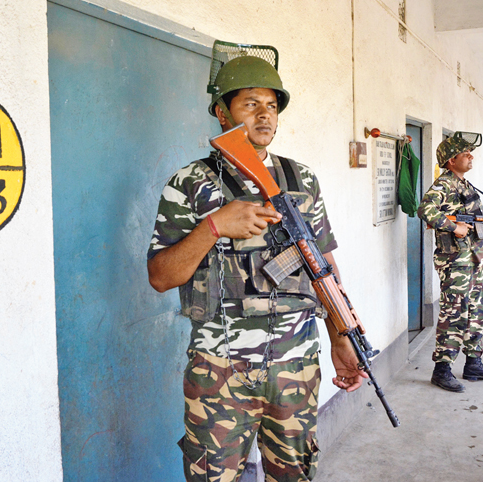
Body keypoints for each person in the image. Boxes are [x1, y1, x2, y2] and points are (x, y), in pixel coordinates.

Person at [147, 41, 365, 482]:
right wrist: (214, 227)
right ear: (222, 113)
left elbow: (323, 265)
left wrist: (343, 336)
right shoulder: (190, 183)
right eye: (250, 103)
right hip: (218, 373)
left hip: (296, 366)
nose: (265, 115)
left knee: (295, 476)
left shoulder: (302, 178)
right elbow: (160, 276)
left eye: (272, 105)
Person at [417, 134, 483, 393]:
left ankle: (473, 363)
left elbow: (475, 225)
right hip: (455, 263)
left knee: (476, 313)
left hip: (473, 261)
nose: (471, 157)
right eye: (466, 154)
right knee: (454, 315)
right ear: (451, 160)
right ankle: (441, 370)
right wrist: (453, 226)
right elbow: (425, 210)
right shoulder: (443, 185)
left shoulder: (466, 185)